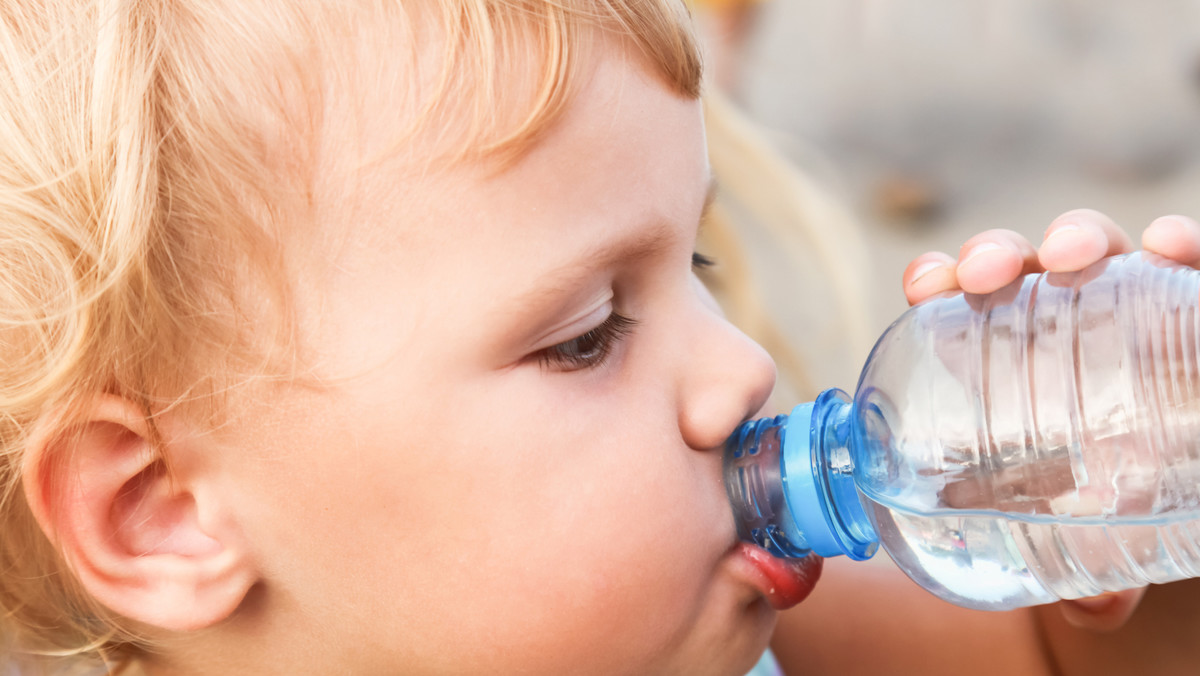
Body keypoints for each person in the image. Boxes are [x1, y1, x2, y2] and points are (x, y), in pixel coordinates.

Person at [1, 2, 1198, 674]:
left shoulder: (776, 634)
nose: (745, 367)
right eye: (585, 335)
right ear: (161, 512)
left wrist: (1137, 522)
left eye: (699, 263)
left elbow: (1066, 659)